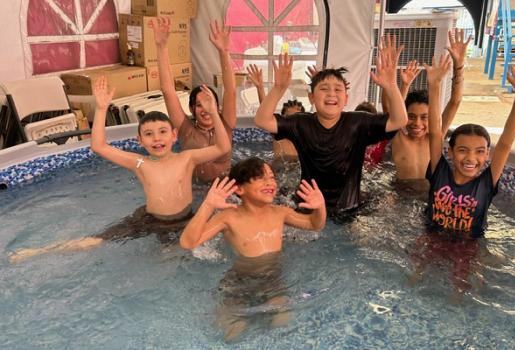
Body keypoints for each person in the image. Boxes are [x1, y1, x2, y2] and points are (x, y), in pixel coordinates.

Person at [9, 77, 231, 263]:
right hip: (149, 219)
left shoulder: (187, 158)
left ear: (174, 135)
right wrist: (101, 108)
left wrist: (214, 111)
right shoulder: (139, 163)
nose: (157, 139)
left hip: (184, 219)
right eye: (149, 134)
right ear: (140, 140)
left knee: (171, 258)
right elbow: (98, 146)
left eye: (163, 132)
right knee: (95, 241)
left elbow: (223, 146)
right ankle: (39, 252)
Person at [409, 57, 515, 298]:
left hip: (469, 243)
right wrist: (434, 86)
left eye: (479, 152)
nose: (470, 158)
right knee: (415, 277)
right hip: (432, 234)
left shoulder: (486, 182)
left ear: (487, 155)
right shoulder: (439, 170)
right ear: (451, 152)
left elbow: (505, 143)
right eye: (463, 150)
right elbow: (435, 131)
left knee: (460, 289)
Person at [254, 35, 408, 215]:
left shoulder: (358, 122)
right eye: (324, 89)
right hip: (308, 207)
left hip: (349, 209)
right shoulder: (301, 123)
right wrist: (278, 88)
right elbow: (262, 120)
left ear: (346, 98)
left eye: (337, 89)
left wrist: (390, 85)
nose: (331, 94)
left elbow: (399, 120)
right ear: (311, 97)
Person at [179, 157, 326, 340]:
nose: (269, 182)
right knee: (233, 333)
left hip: (273, 282)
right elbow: (188, 242)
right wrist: (208, 205)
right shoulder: (228, 217)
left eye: (272, 177)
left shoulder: (280, 213)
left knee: (283, 323)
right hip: (239, 284)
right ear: (239, 188)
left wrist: (320, 208)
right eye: (259, 177)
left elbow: (314, 224)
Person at [154, 18, 237, 182]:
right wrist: (161, 47)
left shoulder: (226, 123)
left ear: (218, 107)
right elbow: (168, 91)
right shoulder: (185, 129)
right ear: (191, 109)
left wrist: (223, 51)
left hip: (226, 188)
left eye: (209, 103)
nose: (205, 109)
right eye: (199, 105)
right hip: (195, 190)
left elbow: (231, 90)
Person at [389, 29, 470, 189]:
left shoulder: (435, 138)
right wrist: (404, 85)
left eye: (424, 117)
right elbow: (395, 109)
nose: (417, 123)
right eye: (411, 116)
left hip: (429, 196)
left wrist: (459, 66)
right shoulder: (399, 138)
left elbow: (455, 102)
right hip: (401, 197)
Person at [246, 64, 304, 161]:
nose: (293, 122)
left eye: (297, 117)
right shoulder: (279, 133)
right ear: (282, 120)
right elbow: (266, 114)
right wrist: (260, 88)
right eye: (290, 118)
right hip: (280, 171)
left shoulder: (307, 136)